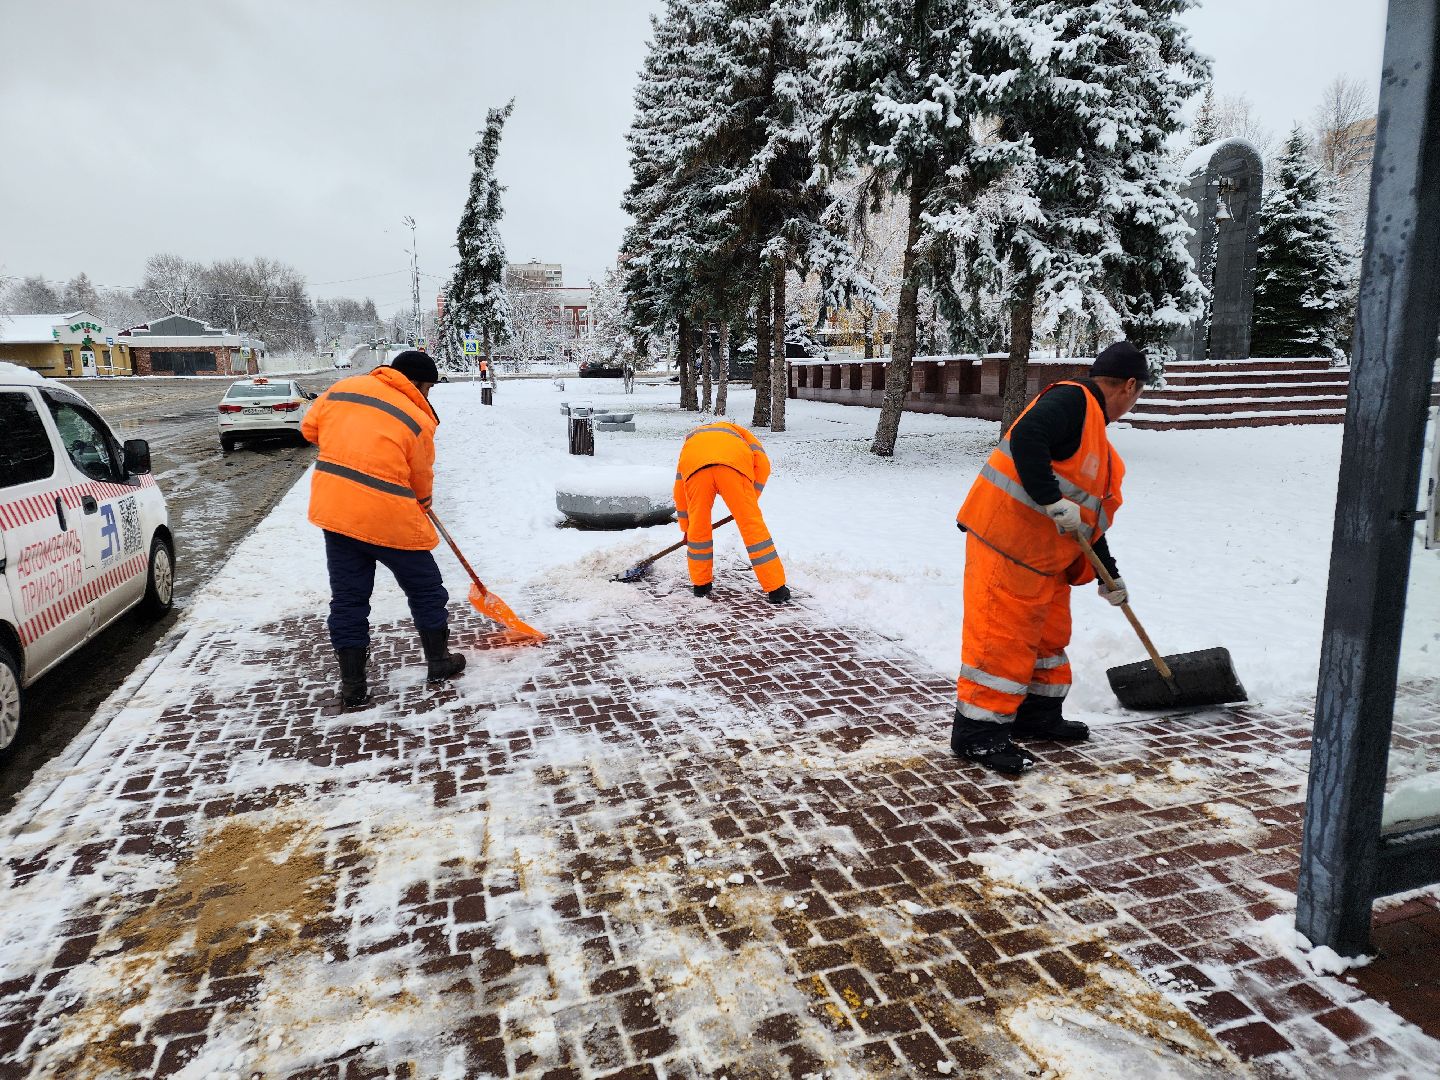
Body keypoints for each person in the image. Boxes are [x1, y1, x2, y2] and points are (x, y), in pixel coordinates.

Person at [951, 341, 1148, 775]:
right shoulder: (1073, 399)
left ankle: (1037, 716)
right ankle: (978, 736)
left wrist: (1108, 577)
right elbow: (1028, 436)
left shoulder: (1096, 435)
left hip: (1044, 559)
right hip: (1007, 545)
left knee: (1047, 641)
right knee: (1000, 642)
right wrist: (1049, 499)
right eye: (1137, 397)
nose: (1132, 406)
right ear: (1129, 386)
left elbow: (1087, 521)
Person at [301, 350, 466, 708]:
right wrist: (422, 502)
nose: (428, 396)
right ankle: (439, 661)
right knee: (426, 589)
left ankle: (353, 685)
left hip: (336, 510)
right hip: (388, 515)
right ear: (418, 384)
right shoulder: (416, 416)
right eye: (429, 388)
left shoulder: (343, 388)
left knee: (348, 599)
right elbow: (420, 474)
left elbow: (309, 429)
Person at [673, 419, 790, 604]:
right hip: (732, 469)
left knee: (698, 526)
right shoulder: (741, 434)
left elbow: (679, 491)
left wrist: (687, 528)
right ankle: (776, 589)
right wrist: (749, 502)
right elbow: (764, 466)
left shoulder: (691, 440)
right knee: (752, 527)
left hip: (696, 472)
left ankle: (700, 585)